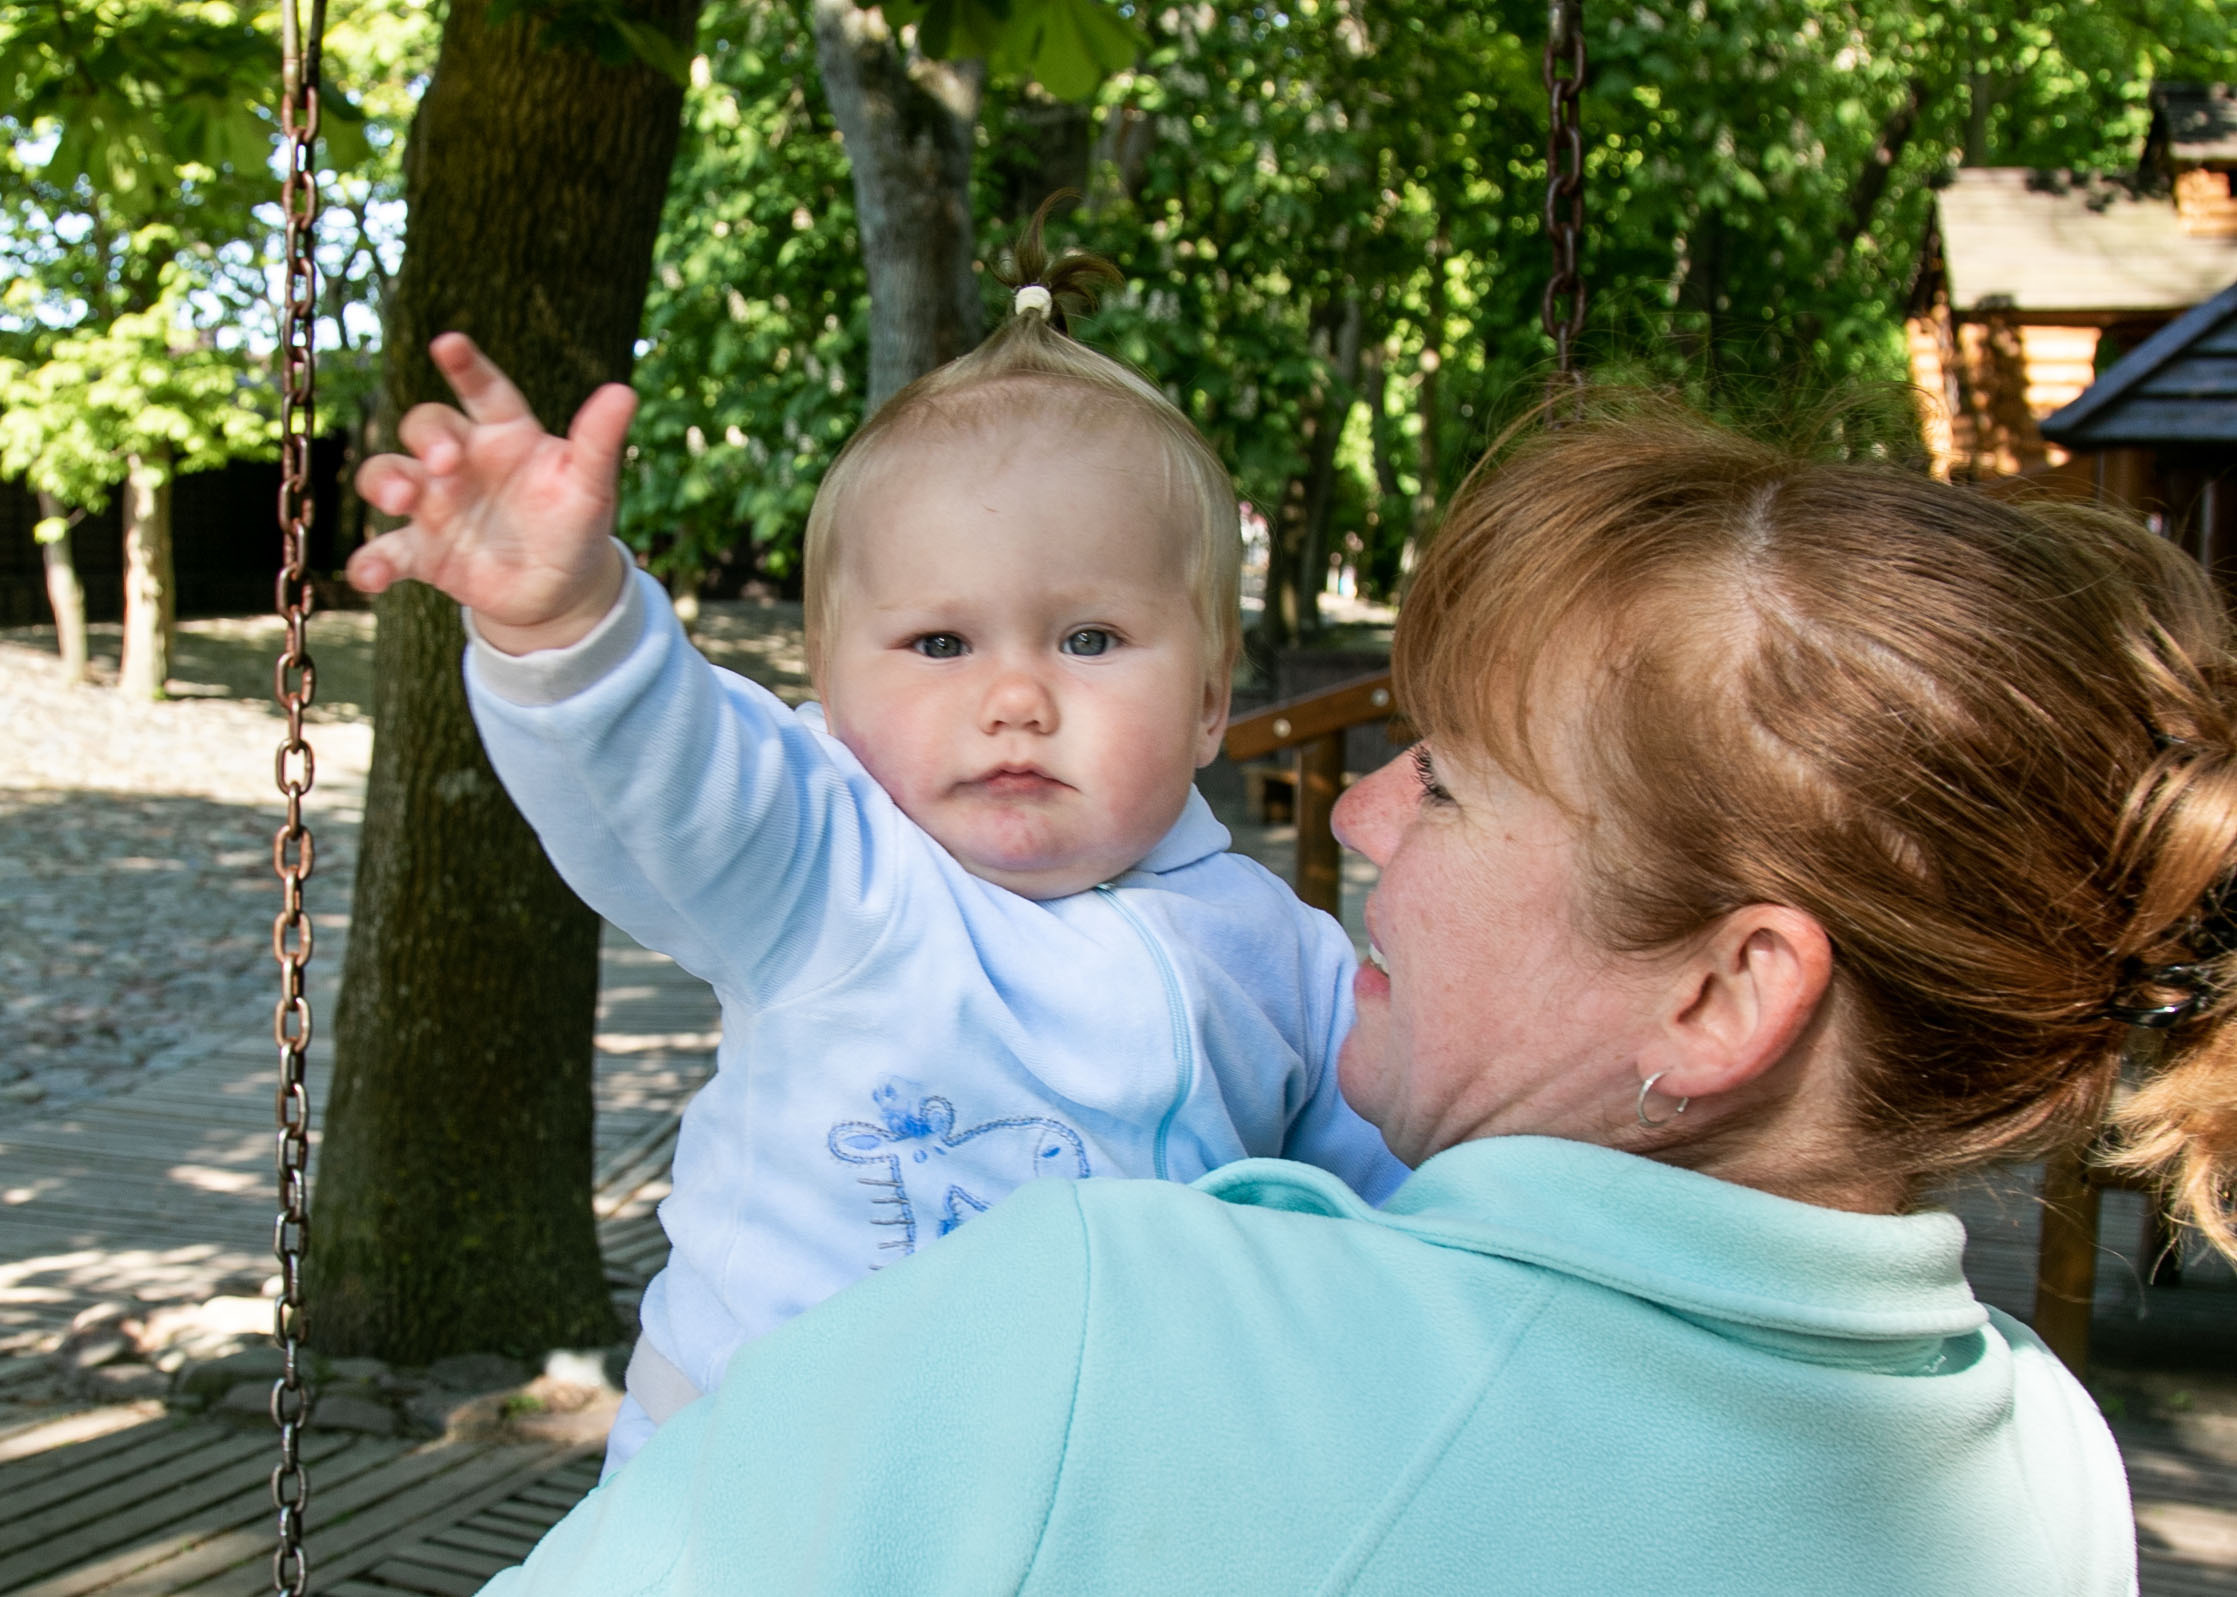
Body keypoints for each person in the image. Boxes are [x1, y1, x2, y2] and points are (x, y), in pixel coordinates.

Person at [466, 396, 2229, 1595]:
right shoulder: (2046, 1473)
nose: (1366, 812)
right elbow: (691, 783)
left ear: (1722, 992)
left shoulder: (1099, 1327)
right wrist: (575, 637)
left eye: (1450, 781)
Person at [346, 230, 1407, 1472]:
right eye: (941, 645)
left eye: (1090, 638)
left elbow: (1407, 1190)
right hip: (769, 1496)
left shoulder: (1282, 953)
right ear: (836, 695)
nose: (1015, 697)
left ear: (1213, 699)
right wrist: (569, 624)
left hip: (1103, 1508)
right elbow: (670, 770)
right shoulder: (824, 871)